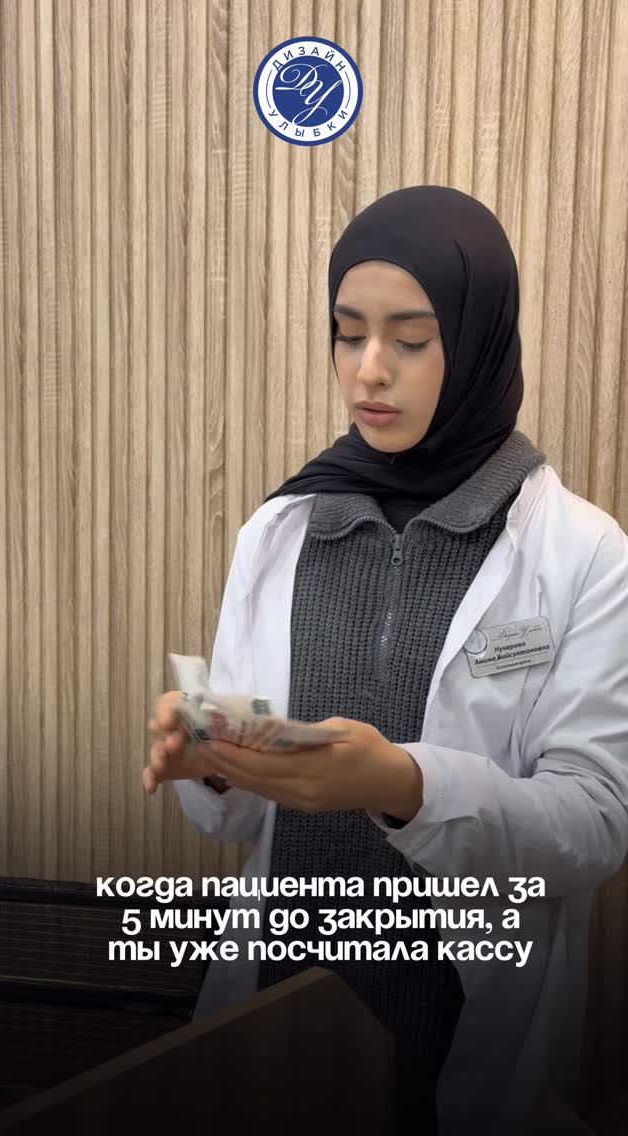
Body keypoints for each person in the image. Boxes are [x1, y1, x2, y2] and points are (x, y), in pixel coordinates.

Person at [145, 186, 628, 1135]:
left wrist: (406, 786)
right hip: (283, 1020)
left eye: (410, 339)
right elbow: (237, 818)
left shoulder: (583, 554)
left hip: (458, 1027)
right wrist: (213, 753)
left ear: (479, 341)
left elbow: (595, 823)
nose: (369, 370)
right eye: (347, 333)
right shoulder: (280, 531)